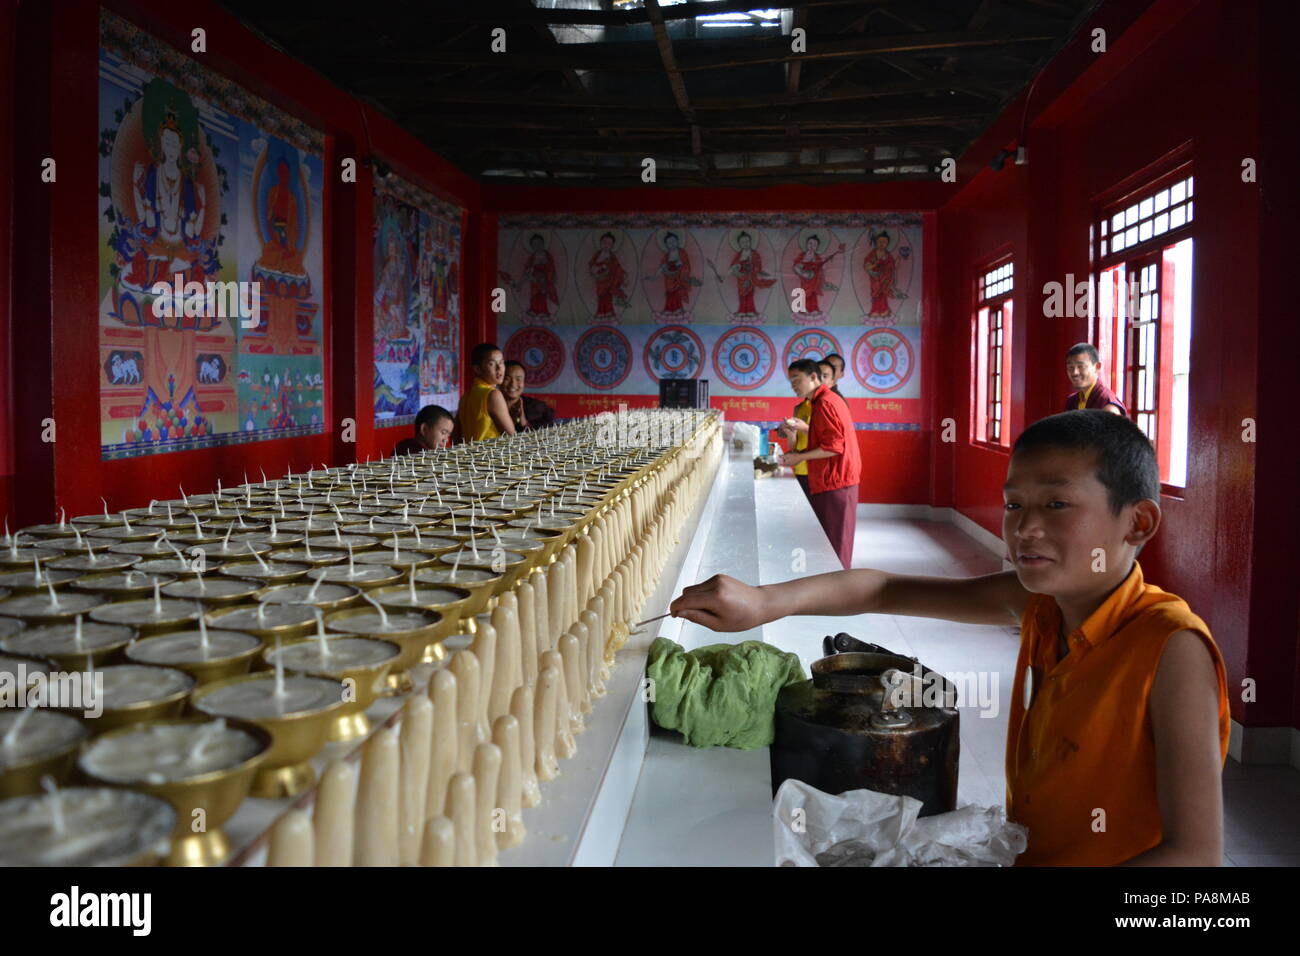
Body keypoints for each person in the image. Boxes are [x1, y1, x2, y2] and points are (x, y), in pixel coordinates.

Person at [672, 410, 1230, 866]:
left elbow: (1196, 856)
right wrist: (764, 601)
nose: (1024, 528)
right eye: (1015, 505)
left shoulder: (1170, 647)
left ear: (1136, 524)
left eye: (1056, 505)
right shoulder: (1039, 607)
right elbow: (884, 589)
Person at [779, 359, 862, 569]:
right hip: (830, 480)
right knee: (827, 542)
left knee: (836, 546)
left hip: (836, 481)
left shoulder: (825, 402)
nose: (794, 385)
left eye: (797, 379)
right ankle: (828, 591)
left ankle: (837, 595)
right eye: (791, 381)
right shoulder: (820, 401)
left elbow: (834, 447)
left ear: (814, 377)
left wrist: (799, 457)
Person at [458, 343, 516, 442]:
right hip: (489, 455)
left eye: (501, 362)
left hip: (469, 455)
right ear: (477, 369)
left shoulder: (466, 395)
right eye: (491, 364)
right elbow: (512, 435)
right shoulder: (493, 394)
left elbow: (457, 434)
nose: (499, 368)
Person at [1064, 343, 1126, 414]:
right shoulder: (1072, 401)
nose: (1075, 372)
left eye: (1081, 366)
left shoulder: (1107, 405)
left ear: (1097, 367)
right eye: (1070, 367)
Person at [501, 360, 556, 431]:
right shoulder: (488, 405)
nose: (513, 384)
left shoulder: (539, 408)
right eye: (507, 379)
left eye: (518, 379)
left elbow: (547, 435)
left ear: (524, 382)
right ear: (499, 380)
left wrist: (524, 422)